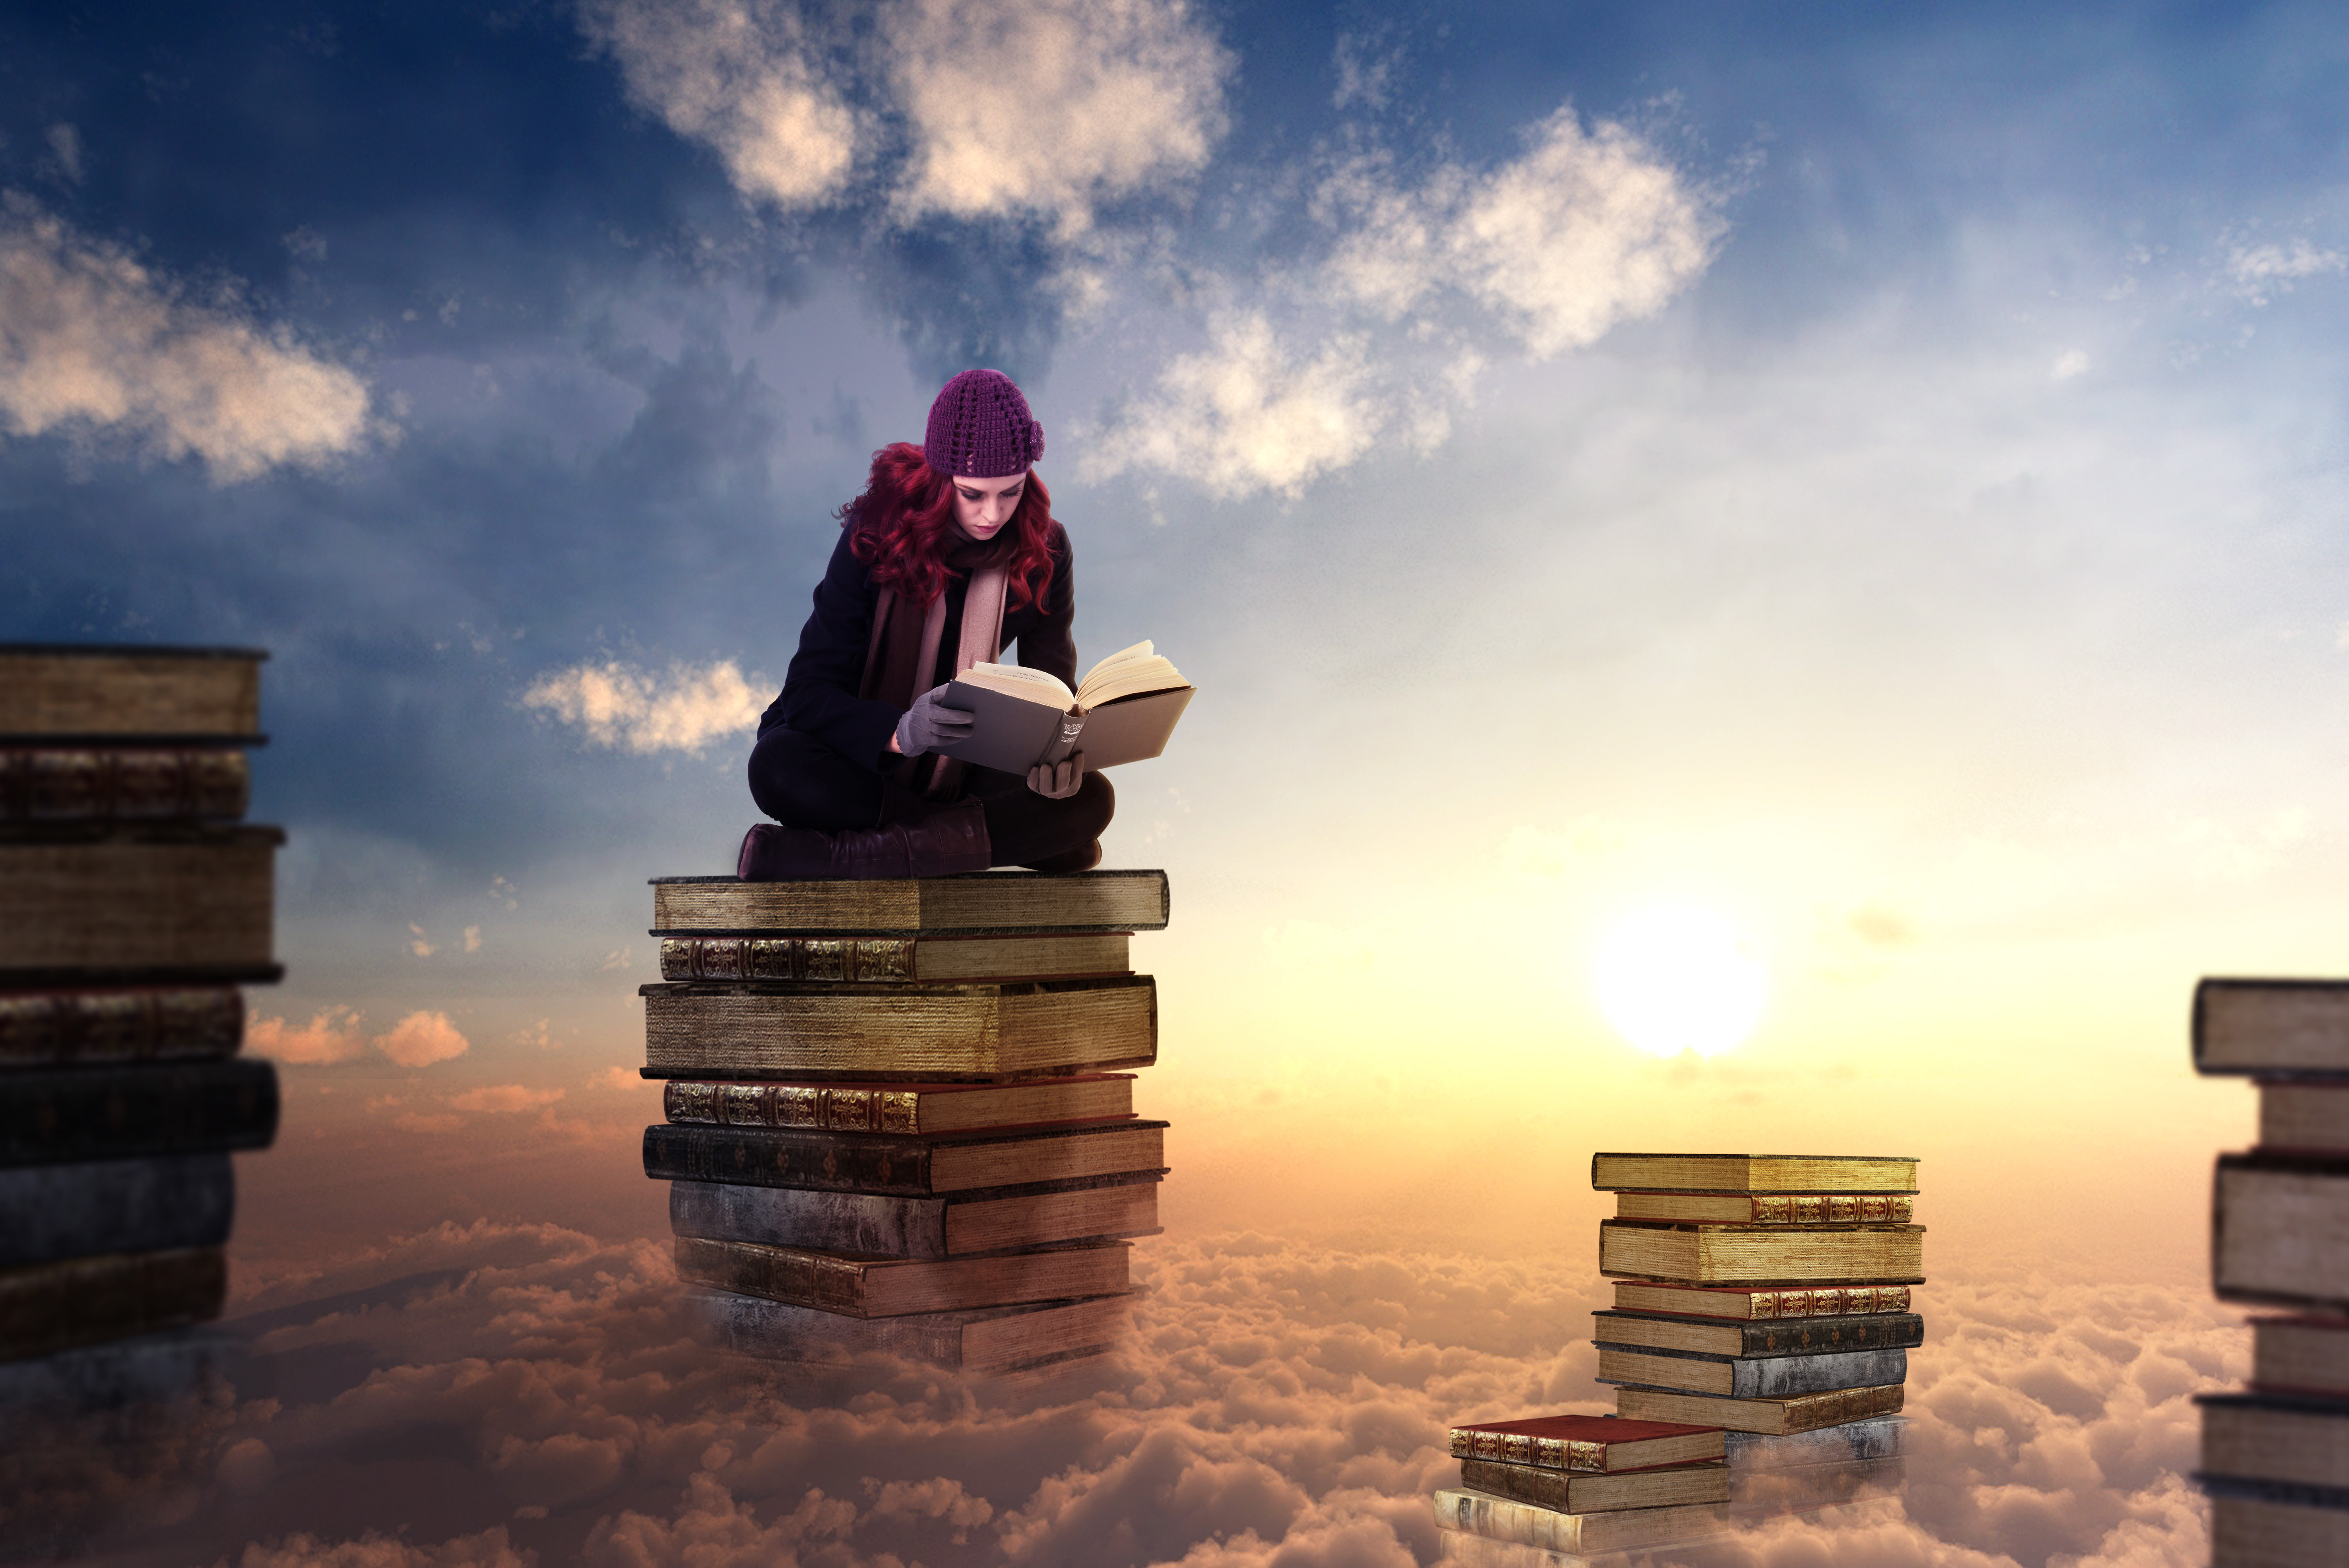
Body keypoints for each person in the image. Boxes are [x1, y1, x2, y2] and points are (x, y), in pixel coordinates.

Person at [738, 369, 1115, 879]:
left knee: (1091, 798)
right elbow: (807, 692)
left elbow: (1053, 696)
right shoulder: (876, 530)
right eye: (972, 494)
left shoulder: (1046, 549)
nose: (992, 514)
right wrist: (899, 732)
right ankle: (976, 839)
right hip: (856, 756)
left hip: (964, 761)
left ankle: (844, 854)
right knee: (776, 766)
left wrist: (1056, 760)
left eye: (1010, 492)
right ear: (941, 480)